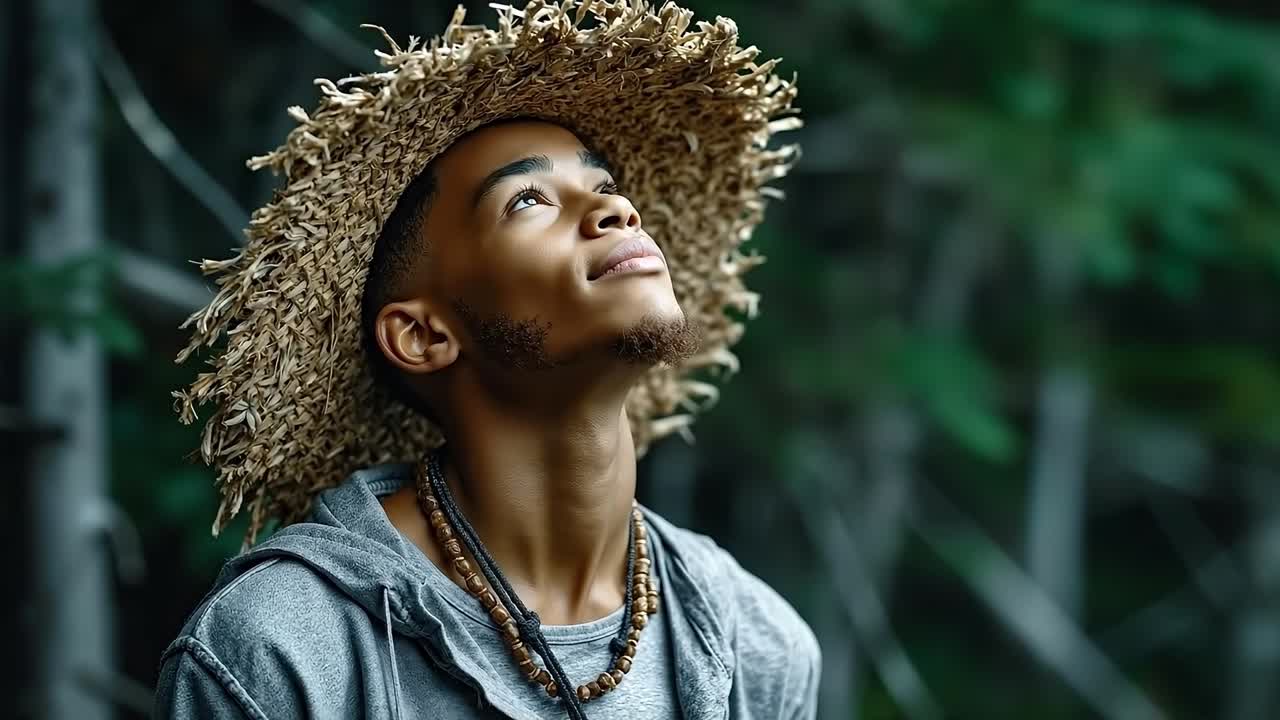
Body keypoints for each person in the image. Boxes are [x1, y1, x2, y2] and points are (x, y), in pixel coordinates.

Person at [154, 2, 817, 718]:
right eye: (529, 200)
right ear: (424, 335)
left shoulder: (758, 645)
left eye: (604, 188)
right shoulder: (279, 652)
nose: (616, 212)